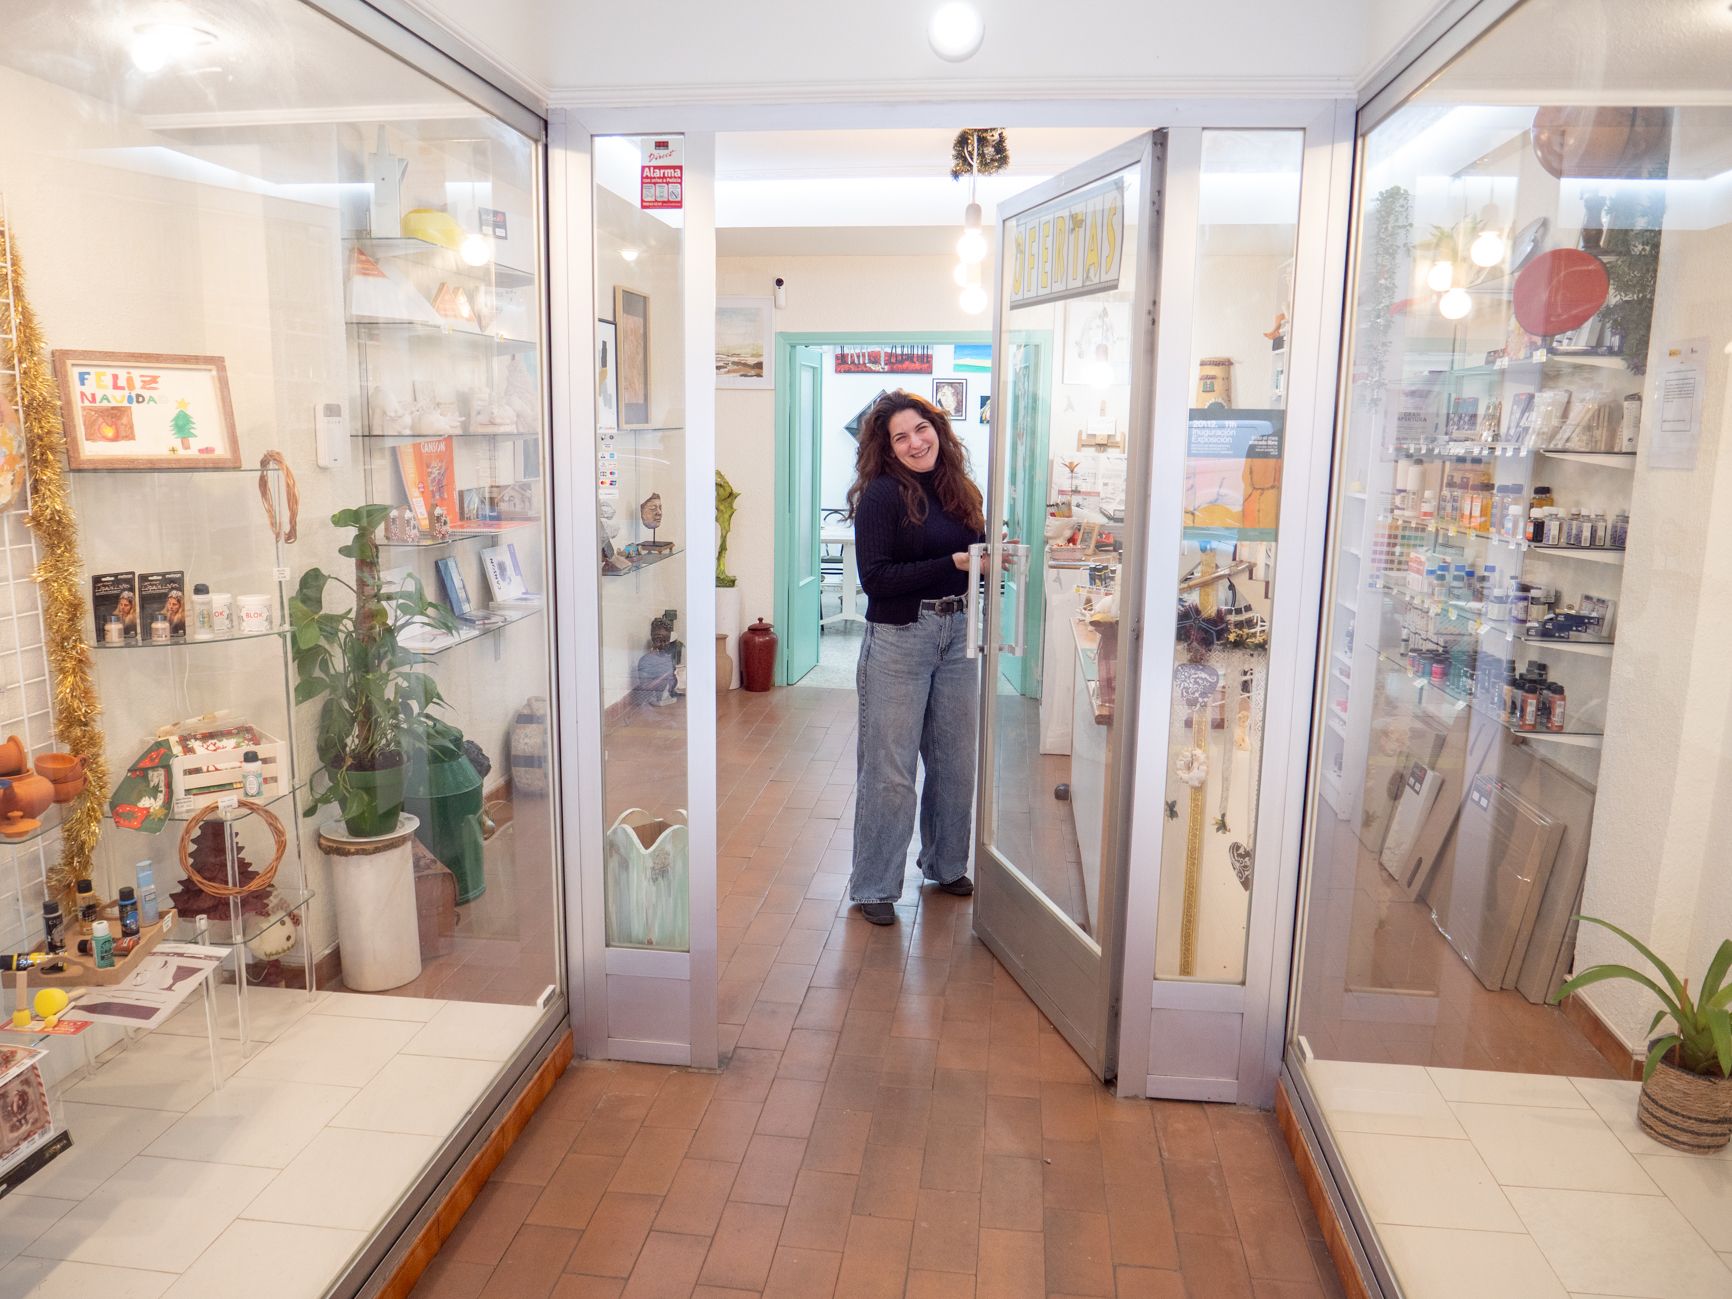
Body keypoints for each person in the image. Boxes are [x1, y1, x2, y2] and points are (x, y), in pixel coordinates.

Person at [846, 390, 986, 925]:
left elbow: (973, 551)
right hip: (900, 636)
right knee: (891, 770)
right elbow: (876, 579)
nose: (915, 443)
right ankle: (875, 885)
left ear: (937, 429)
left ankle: (945, 865)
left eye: (920, 429)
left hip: (959, 631)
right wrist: (951, 564)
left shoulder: (960, 487)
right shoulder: (881, 495)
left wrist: (984, 559)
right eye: (900, 437)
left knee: (955, 762)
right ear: (887, 448)